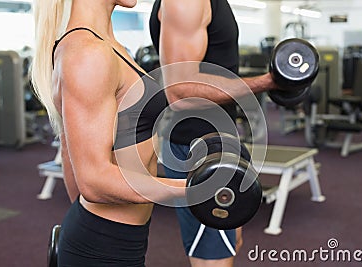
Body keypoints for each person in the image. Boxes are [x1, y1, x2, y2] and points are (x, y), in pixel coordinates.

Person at [30, 0, 186, 266]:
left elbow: (71, 153)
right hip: (102, 247)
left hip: (117, 238)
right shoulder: (88, 52)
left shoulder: (107, 46)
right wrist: (195, 190)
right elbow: (93, 181)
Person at [149, 0, 278, 266]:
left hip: (217, 140)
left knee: (226, 246)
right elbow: (180, 90)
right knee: (213, 259)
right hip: (199, 148)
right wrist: (268, 82)